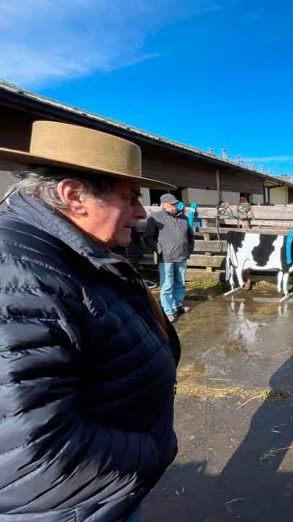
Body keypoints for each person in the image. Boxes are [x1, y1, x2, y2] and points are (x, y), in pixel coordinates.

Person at [0, 120, 180, 520]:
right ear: (74, 195)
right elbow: (28, 456)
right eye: (129, 197)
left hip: (100, 495)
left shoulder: (70, 254)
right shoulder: (18, 277)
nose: (140, 213)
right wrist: (152, 451)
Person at [145, 193, 195, 322]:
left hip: (182, 256)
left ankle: (178, 305)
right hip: (166, 257)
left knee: (180, 283)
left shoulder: (183, 217)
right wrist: (159, 249)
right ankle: (168, 311)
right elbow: (148, 238)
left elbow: (190, 236)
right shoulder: (155, 217)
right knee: (167, 285)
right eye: (172, 204)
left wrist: (189, 250)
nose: (175, 206)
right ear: (164, 205)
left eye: (175, 204)